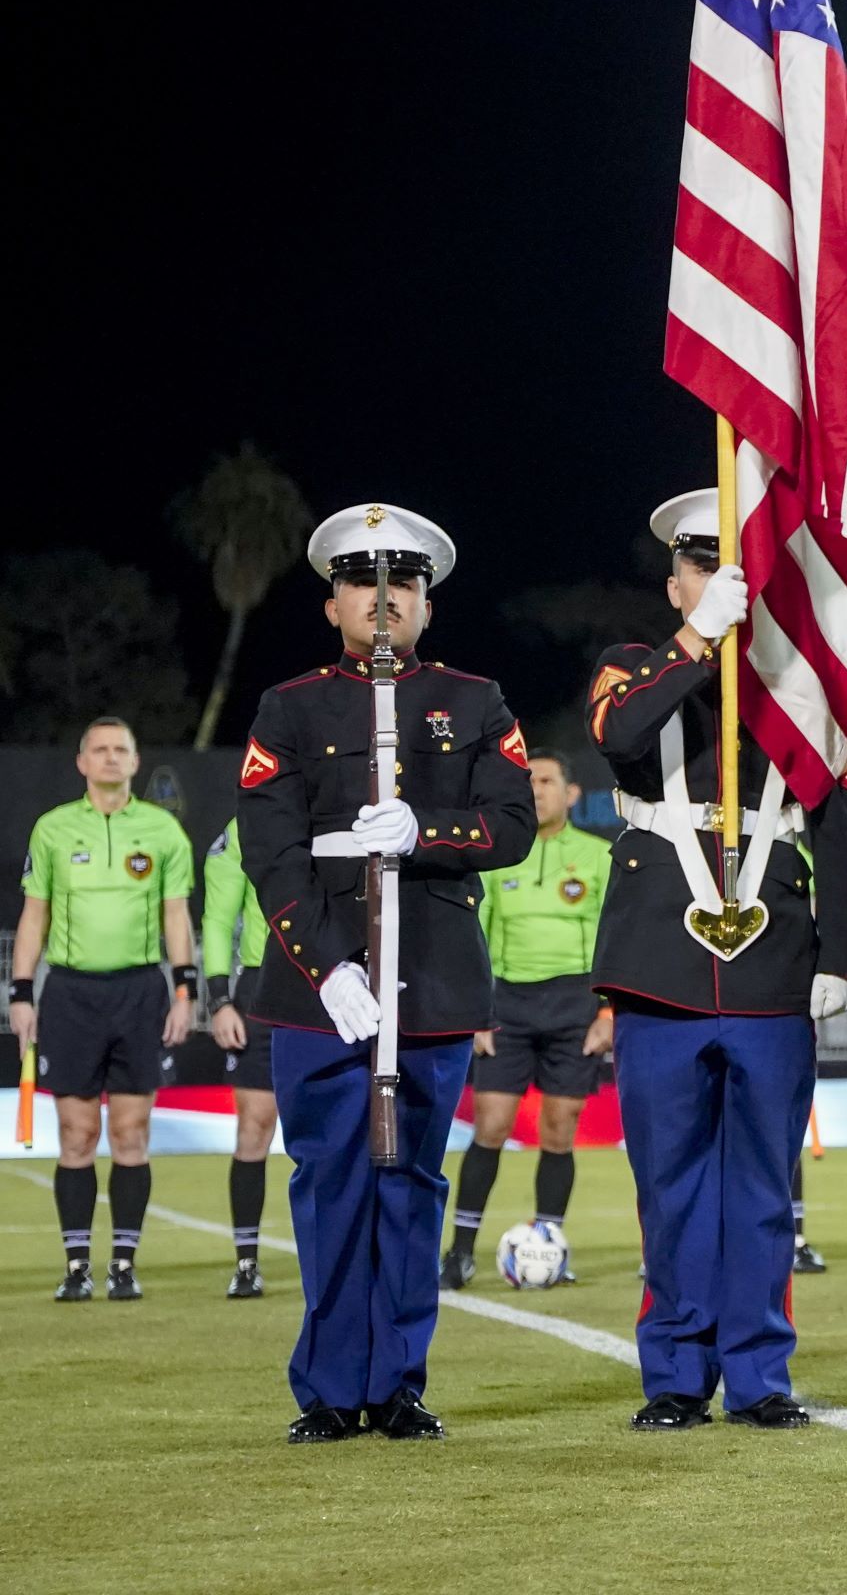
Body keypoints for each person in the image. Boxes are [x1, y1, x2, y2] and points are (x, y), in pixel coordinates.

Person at [238, 504, 535, 1443]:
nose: (383, 598)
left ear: (425, 605)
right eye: (363, 582)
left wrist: (427, 830)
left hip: (432, 977)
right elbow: (271, 851)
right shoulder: (288, 706)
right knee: (329, 1185)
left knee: (410, 1186)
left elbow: (512, 826)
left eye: (402, 582)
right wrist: (327, 967)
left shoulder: (475, 700)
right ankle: (330, 1391)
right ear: (333, 604)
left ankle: (399, 1384)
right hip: (317, 985)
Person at [588, 489, 847, 1432]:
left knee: (761, 1191)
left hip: (773, 960)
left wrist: (841, 954)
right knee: (668, 1187)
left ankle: (758, 1375)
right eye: (699, 565)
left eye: (732, 564)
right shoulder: (630, 666)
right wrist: (700, 639)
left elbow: (837, 824)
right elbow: (621, 736)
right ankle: (674, 1374)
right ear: (676, 584)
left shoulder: (803, 685)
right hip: (659, 965)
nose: (715, 579)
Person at [9, 717, 196, 1302]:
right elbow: (34, 914)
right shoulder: (53, 829)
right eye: (100, 749)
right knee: (77, 1132)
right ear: (82, 762)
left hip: (140, 992)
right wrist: (20, 992)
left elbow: (176, 915)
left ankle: (123, 1264)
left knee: (131, 1132)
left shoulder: (162, 830)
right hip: (70, 994)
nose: (111, 757)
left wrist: (185, 990)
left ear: (135, 762)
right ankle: (76, 1266)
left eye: (121, 749)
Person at [441, 749, 613, 1288]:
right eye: (528, 781)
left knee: (559, 1131)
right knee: (491, 1126)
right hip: (506, 1006)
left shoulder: (600, 856)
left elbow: (614, 937)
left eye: (546, 780)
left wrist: (608, 1009)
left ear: (572, 794)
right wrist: (476, 1012)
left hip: (575, 1004)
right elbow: (473, 937)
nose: (536, 790)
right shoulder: (497, 855)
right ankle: (460, 1252)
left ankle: (548, 1244)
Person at [202, 816, 277, 1298]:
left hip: (341, 982)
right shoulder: (243, 828)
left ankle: (346, 1254)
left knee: (342, 1130)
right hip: (264, 984)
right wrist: (220, 999)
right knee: (254, 1126)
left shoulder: (345, 810)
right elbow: (218, 917)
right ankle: (246, 1261)